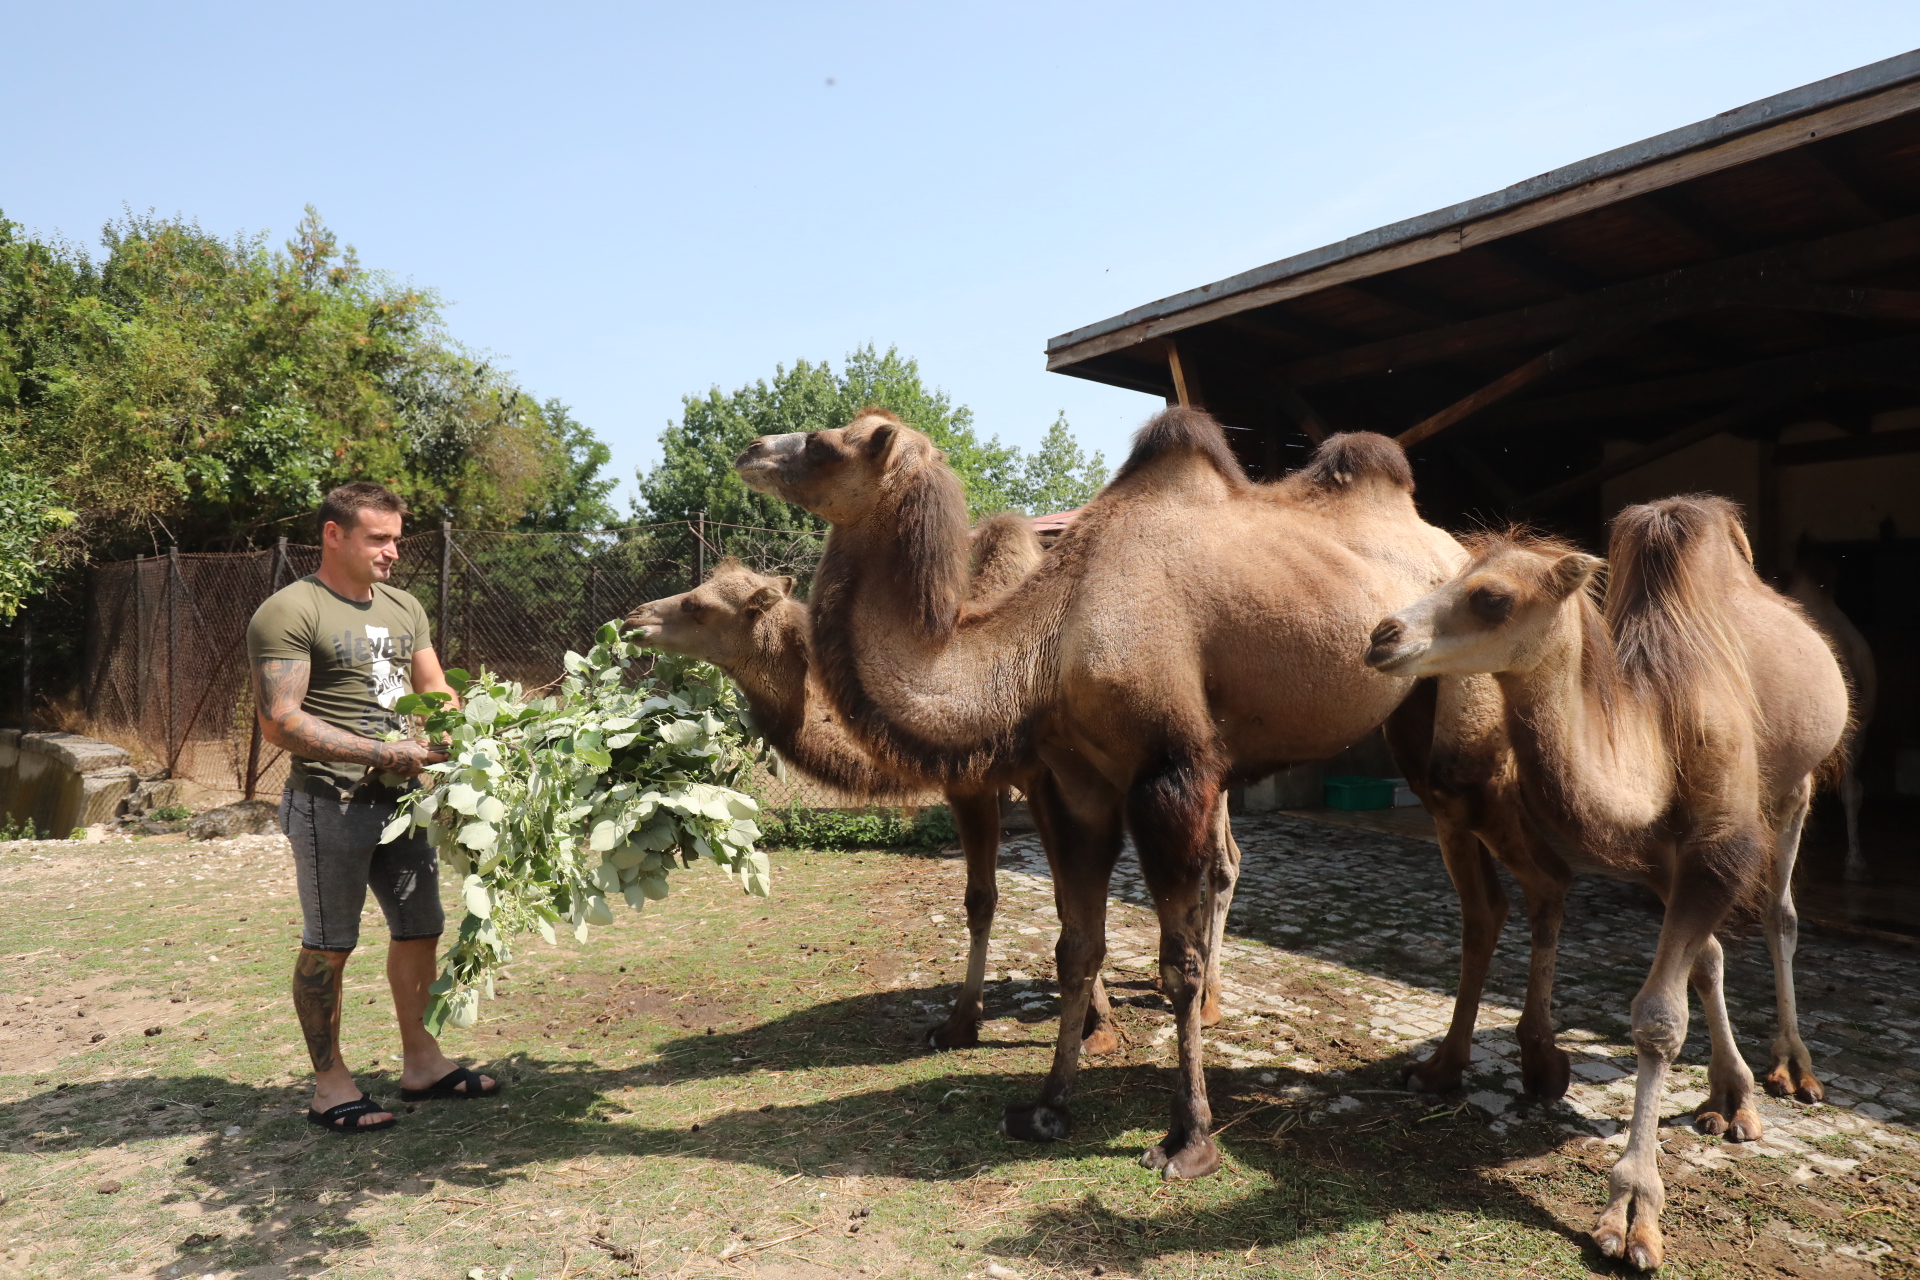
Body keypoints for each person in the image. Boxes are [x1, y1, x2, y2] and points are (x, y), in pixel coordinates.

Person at [246, 482, 499, 1134]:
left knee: (421, 927)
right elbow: (280, 721)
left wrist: (460, 733)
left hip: (403, 803)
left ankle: (424, 1062)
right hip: (330, 802)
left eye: (396, 539)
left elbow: (432, 685)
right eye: (378, 539)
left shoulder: (404, 605)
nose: (392, 552)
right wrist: (380, 753)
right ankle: (329, 1085)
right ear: (335, 536)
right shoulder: (291, 610)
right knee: (329, 946)